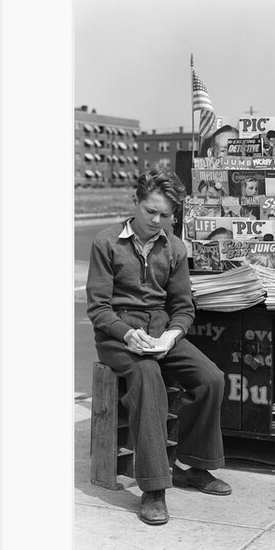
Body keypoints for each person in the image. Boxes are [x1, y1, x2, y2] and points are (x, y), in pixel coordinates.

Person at [86, 167, 231, 527]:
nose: (156, 220)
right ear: (134, 203)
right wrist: (126, 333)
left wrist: (172, 335)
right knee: (148, 379)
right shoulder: (107, 243)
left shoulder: (175, 248)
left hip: (160, 332)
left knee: (210, 378)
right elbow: (98, 308)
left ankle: (193, 467)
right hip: (116, 336)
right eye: (150, 211)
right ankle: (154, 489)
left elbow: (183, 307)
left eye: (165, 215)